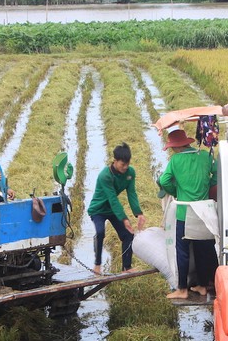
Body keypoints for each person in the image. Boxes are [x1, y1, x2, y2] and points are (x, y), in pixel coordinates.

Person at [158, 128, 219, 300]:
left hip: (184, 211)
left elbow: (164, 181)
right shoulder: (206, 155)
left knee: (182, 251)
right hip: (204, 211)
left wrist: (176, 191)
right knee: (203, 249)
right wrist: (206, 186)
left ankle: (182, 289)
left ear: (176, 147)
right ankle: (203, 285)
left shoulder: (176, 160)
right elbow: (216, 176)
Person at [87, 143, 145, 275]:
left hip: (113, 210)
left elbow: (132, 193)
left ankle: (126, 267)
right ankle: (97, 265)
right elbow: (112, 199)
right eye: (122, 164)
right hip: (98, 209)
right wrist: (124, 219)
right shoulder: (105, 175)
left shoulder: (130, 173)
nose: (125, 167)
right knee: (100, 232)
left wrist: (138, 213)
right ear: (115, 161)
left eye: (127, 164)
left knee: (128, 234)